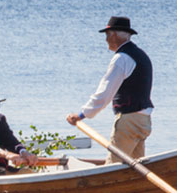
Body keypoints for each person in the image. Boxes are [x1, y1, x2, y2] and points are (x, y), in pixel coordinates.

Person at [65, 16, 153, 161]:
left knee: (114, 165)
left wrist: (82, 115)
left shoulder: (121, 58)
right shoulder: (140, 54)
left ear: (114, 35)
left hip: (129, 121)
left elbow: (105, 93)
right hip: (143, 120)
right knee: (135, 167)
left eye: (107, 35)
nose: (106, 39)